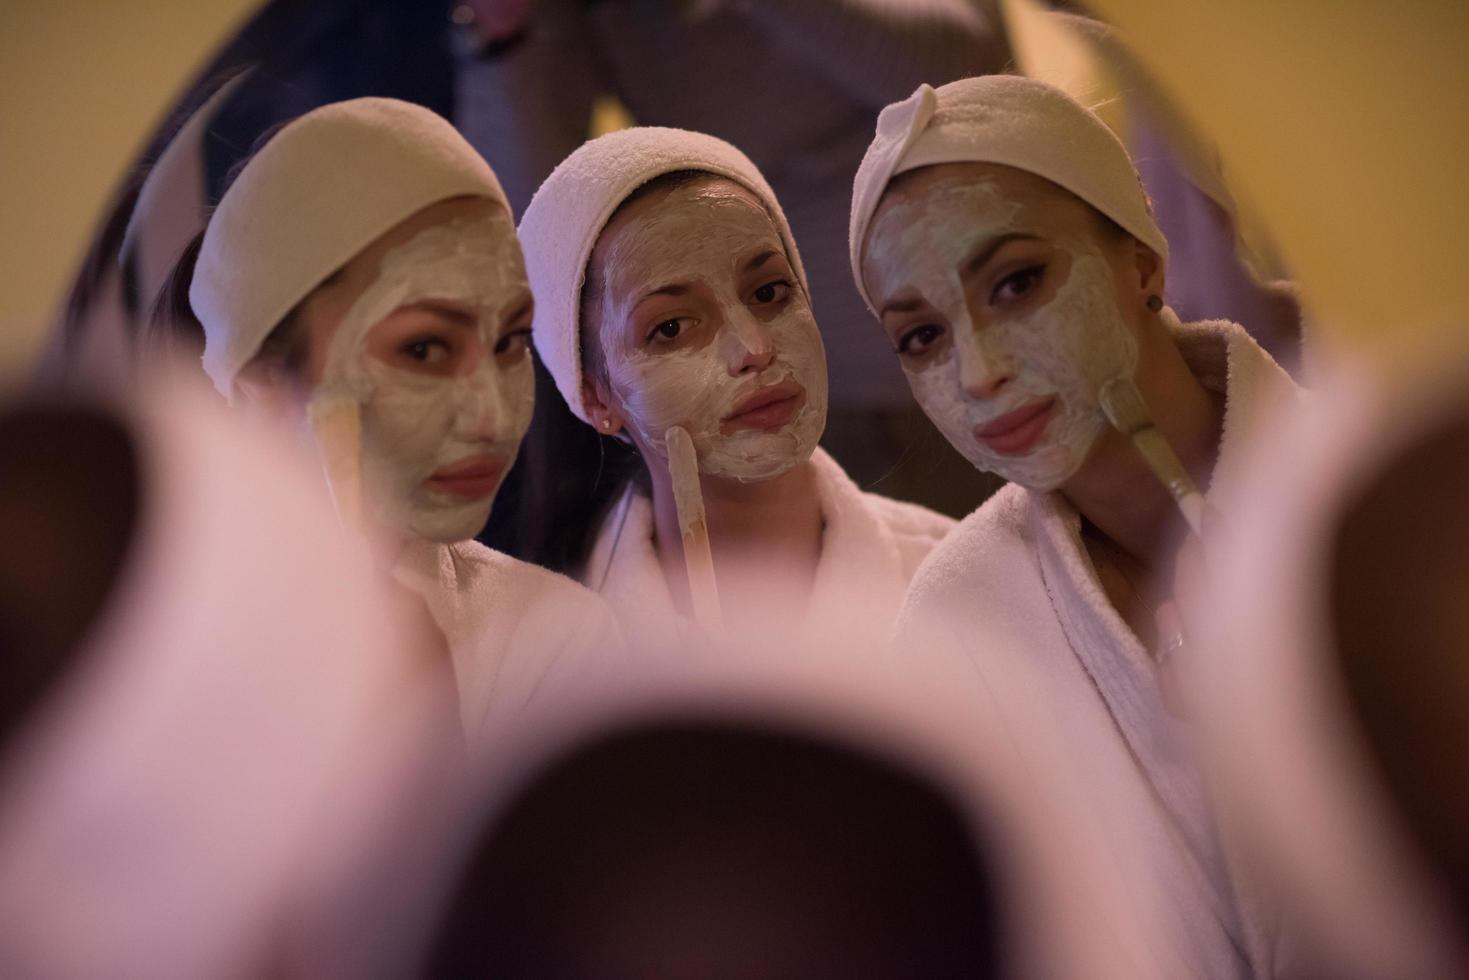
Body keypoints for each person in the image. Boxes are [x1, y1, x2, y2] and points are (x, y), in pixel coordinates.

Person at [849, 76, 1301, 977]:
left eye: (1014, 283)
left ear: (1140, 258)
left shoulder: (1374, 486)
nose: (976, 372)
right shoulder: (954, 626)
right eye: (922, 337)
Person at [186, 97, 619, 740]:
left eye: (510, 342)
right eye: (424, 348)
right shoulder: (141, 648)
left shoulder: (552, 639)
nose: (493, 417)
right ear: (258, 383)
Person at [516, 126, 953, 652]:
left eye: (769, 292)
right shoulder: (546, 662)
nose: (753, 347)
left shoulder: (962, 586)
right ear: (595, 399)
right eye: (672, 327)